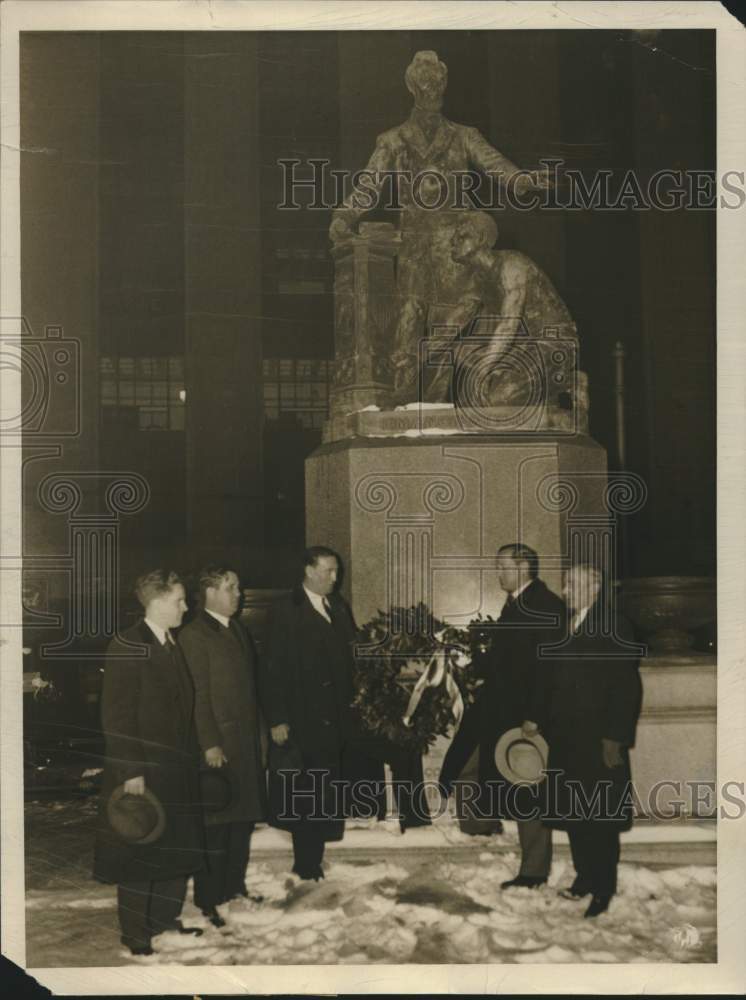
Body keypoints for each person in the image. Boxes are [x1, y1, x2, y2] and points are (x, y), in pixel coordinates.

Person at [330, 50, 551, 403]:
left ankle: (437, 405)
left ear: (443, 86)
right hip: (416, 250)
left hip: (456, 250)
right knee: (409, 319)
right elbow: (369, 185)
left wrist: (524, 180)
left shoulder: (464, 136)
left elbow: (496, 167)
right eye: (423, 82)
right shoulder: (394, 140)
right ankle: (404, 400)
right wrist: (343, 216)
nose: (430, 88)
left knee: (452, 325)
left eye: (436, 83)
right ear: (411, 87)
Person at [93, 570, 204, 956]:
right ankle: (136, 931)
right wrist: (132, 771)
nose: (186, 606)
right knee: (141, 851)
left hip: (175, 768)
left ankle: (164, 921)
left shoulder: (171, 641)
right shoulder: (128, 644)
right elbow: (117, 716)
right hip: (144, 770)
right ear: (157, 603)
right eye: (180, 600)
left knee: (174, 847)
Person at [526, 561, 643, 918]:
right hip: (567, 739)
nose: (566, 591)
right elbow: (552, 681)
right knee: (576, 814)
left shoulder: (614, 625)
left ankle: (603, 888)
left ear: (595, 588)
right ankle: (584, 879)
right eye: (566, 585)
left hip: (598, 741)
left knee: (600, 818)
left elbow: (627, 687)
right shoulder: (567, 625)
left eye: (573, 585)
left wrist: (615, 738)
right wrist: (537, 717)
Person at [178, 565, 268, 927]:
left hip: (243, 744)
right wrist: (209, 744)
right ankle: (209, 899)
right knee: (216, 825)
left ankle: (234, 888)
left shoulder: (238, 630)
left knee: (240, 823)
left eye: (238, 587)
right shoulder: (195, 635)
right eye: (231, 588)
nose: (239, 594)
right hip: (218, 747)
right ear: (210, 592)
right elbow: (197, 696)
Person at [260, 547, 357, 880]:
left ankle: (314, 858)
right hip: (302, 718)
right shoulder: (285, 611)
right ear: (309, 571)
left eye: (336, 571)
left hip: (334, 719)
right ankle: (305, 864)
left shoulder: (338, 607)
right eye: (329, 571)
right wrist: (277, 718)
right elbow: (271, 670)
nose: (335, 577)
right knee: (306, 794)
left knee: (325, 790)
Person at [435, 210, 577, 406]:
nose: (453, 242)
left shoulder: (512, 265)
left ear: (481, 239)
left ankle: (565, 380)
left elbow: (509, 323)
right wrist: (422, 352)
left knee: (497, 401)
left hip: (552, 342)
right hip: (520, 346)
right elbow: (455, 320)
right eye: (453, 237)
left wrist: (483, 368)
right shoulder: (477, 277)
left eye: (461, 236)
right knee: (461, 364)